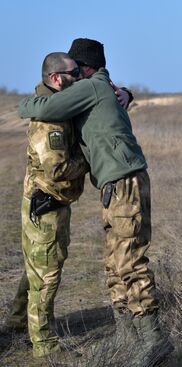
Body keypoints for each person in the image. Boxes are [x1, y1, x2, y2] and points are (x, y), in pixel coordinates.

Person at [18, 38, 172, 366]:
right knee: (114, 262)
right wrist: (127, 93)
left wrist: (24, 104)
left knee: (128, 260)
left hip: (124, 182)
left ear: (86, 69)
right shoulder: (99, 87)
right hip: (115, 184)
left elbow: (44, 108)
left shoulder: (92, 87)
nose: (72, 77)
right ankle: (127, 334)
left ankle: (153, 338)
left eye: (76, 70)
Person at [3, 52, 89, 358]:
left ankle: (16, 321)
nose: (80, 77)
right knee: (47, 275)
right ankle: (44, 345)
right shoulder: (50, 120)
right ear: (55, 79)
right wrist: (89, 158)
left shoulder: (54, 105)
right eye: (74, 73)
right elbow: (59, 169)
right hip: (47, 205)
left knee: (34, 268)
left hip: (41, 201)